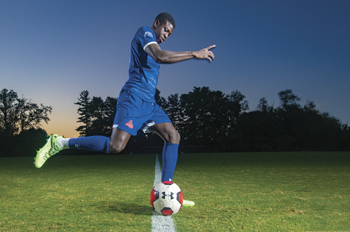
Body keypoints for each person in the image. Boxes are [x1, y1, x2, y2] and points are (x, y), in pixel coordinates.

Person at [35, 12, 215, 206]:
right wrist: (194, 54)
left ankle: (167, 191)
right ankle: (59, 143)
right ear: (156, 23)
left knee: (173, 136)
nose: (165, 35)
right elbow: (160, 56)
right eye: (165, 30)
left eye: (169, 35)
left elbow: (159, 57)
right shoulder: (144, 33)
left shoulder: (154, 43)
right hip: (133, 99)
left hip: (149, 103)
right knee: (116, 146)